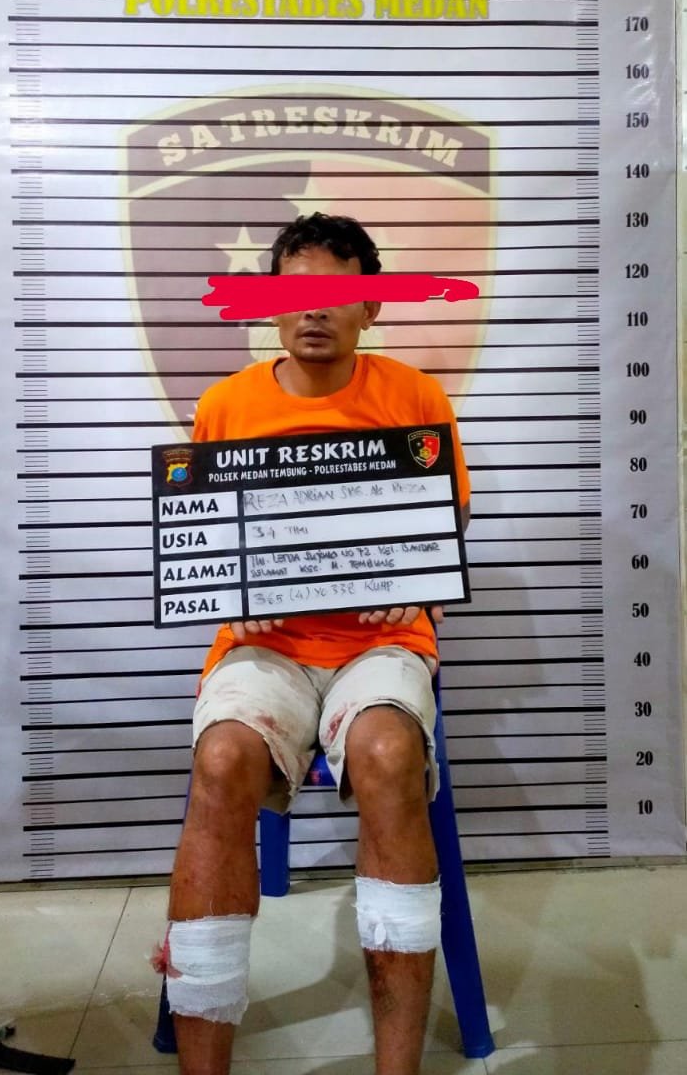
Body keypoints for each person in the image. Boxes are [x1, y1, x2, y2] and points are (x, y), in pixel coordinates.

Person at [163, 213, 470, 1075]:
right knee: (222, 758)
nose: (314, 310)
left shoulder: (415, 396)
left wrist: (415, 575)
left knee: (385, 750)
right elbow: (199, 530)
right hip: (264, 650)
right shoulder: (225, 405)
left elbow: (449, 517)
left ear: (371, 306)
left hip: (382, 642)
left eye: (337, 293)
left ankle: (396, 1069)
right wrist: (234, 590)